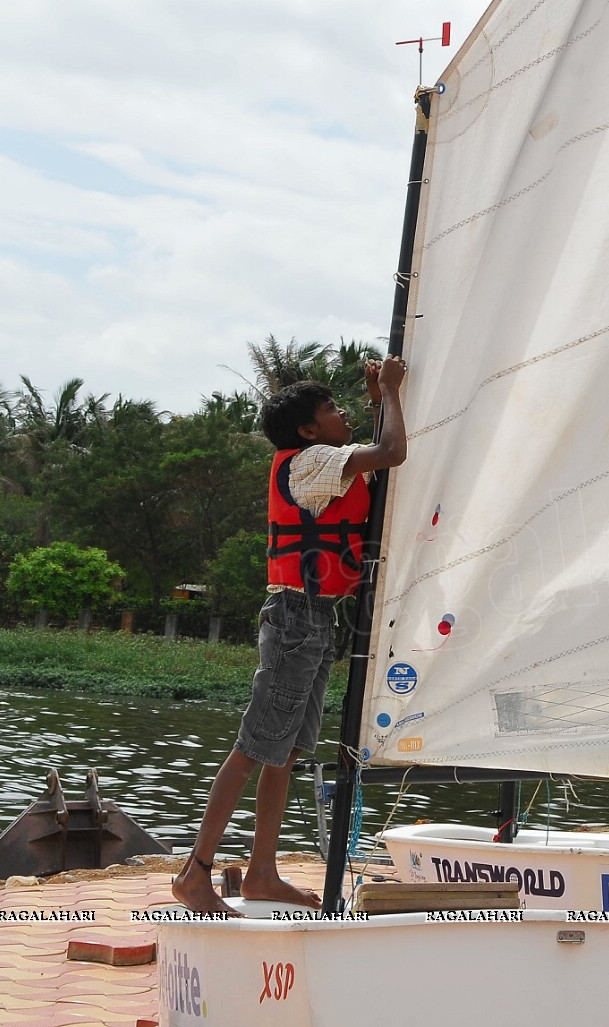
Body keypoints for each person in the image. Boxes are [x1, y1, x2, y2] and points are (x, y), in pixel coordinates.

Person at [170, 359, 407, 915]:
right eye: (330, 409)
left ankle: (262, 874)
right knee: (256, 747)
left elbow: (376, 453)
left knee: (285, 751)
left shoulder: (324, 459)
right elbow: (392, 453)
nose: (339, 410)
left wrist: (377, 400)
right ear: (307, 432)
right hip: (298, 616)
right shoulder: (313, 463)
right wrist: (392, 391)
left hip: (316, 616)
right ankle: (194, 873)